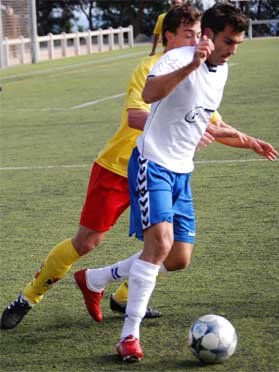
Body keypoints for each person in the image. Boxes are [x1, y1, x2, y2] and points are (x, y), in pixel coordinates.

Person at [72, 3, 278, 362]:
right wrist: (191, 65)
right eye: (228, 41)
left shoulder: (222, 71)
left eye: (238, 44)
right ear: (209, 37)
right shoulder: (175, 59)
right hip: (152, 163)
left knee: (179, 258)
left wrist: (247, 140)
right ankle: (128, 336)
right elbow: (150, 96)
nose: (232, 50)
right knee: (160, 243)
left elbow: (202, 121)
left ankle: (96, 279)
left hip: (183, 170)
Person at [0, 3, 202, 330]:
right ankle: (28, 297)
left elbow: (210, 119)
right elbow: (136, 115)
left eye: (198, 35)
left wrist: (240, 136)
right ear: (169, 36)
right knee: (86, 242)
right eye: (188, 35)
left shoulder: (200, 70)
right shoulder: (150, 67)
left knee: (172, 250)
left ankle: (123, 295)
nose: (195, 41)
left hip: (162, 169)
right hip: (118, 168)